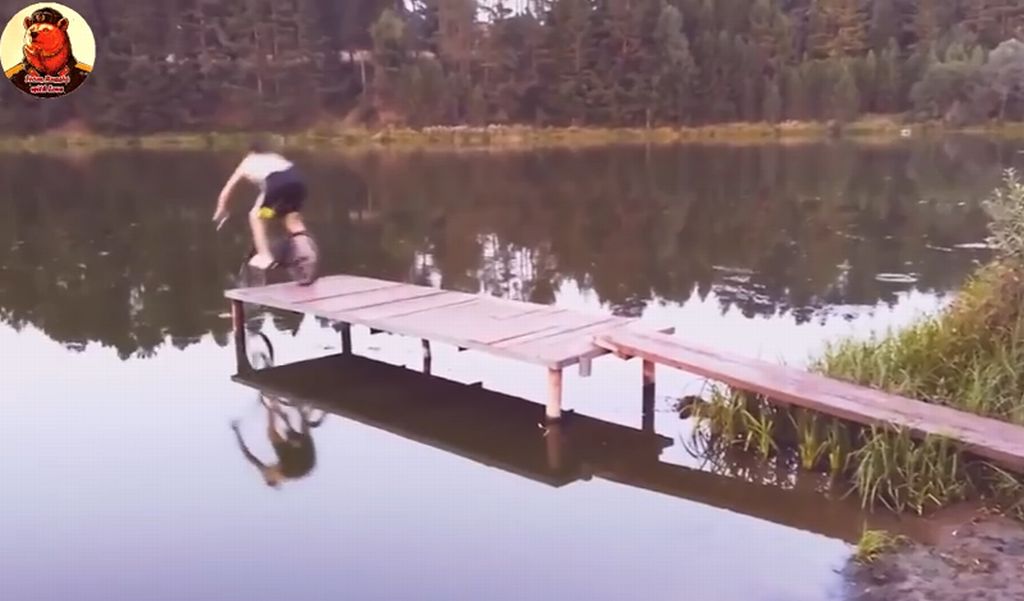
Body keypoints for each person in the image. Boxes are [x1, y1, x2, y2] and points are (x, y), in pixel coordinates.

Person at [213, 139, 309, 269]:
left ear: (250, 152)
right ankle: (306, 247)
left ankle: (265, 256)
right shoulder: (274, 157)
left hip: (276, 183)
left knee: (256, 216)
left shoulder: (247, 162)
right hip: (298, 182)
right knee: (290, 216)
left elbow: (226, 191)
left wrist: (221, 210)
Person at [231, 395, 326, 488]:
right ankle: (303, 413)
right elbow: (306, 459)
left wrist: (236, 431)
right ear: (276, 478)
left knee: (272, 433)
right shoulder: (291, 471)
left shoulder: (271, 470)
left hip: (294, 453)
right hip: (304, 456)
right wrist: (300, 429)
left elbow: (249, 456)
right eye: (268, 473)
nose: (267, 468)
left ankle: (273, 404)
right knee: (292, 434)